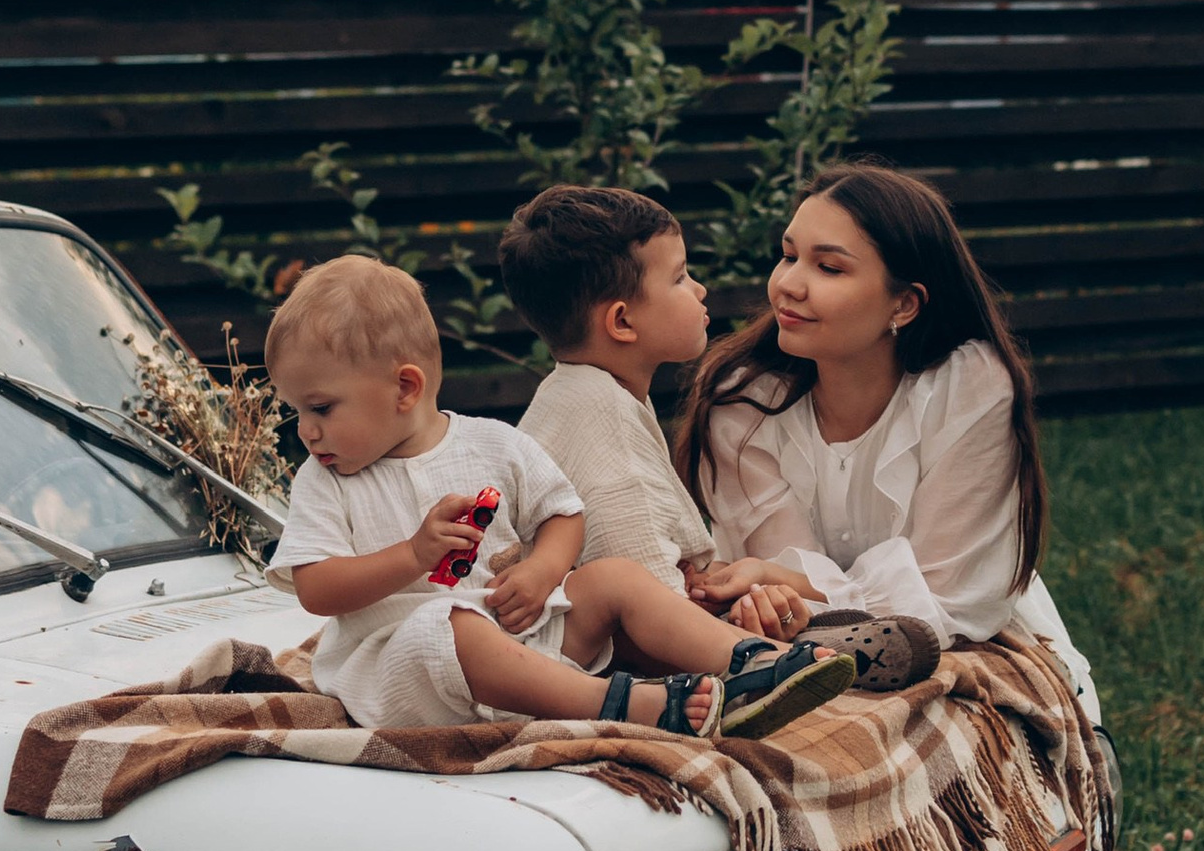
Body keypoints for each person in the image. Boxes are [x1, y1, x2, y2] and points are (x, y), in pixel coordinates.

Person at [263, 254, 857, 739]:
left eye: (319, 409)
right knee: (447, 623)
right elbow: (316, 589)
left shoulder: (491, 444)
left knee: (614, 577)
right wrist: (412, 556)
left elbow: (563, 514)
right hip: (400, 668)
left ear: (405, 387)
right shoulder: (326, 481)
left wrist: (546, 571)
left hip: (521, 636)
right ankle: (630, 704)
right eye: (297, 412)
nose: (305, 432)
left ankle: (755, 665)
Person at [678, 164, 1094, 697]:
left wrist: (782, 582)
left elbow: (947, 597)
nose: (787, 284)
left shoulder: (969, 387)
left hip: (967, 639)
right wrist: (778, 587)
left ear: (904, 304)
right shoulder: (741, 403)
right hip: (791, 646)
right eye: (788, 255)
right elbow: (788, 601)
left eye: (828, 267)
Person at [502, 182, 940, 686]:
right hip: (584, 649)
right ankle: (790, 660)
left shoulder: (587, 395)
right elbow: (642, 583)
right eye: (680, 278)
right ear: (622, 322)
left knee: (750, 601)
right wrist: (710, 612)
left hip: (598, 626)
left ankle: (799, 644)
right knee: (722, 624)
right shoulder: (597, 412)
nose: (699, 290)